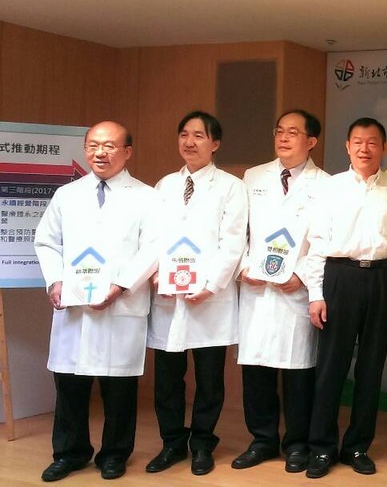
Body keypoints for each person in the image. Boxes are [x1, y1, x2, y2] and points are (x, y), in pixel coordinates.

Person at [34, 121, 161, 482]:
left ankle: (114, 454)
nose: (99, 153)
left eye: (108, 146)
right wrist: (55, 280)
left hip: (120, 306)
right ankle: (69, 453)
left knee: (118, 387)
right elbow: (46, 241)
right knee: (69, 385)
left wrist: (121, 286)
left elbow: (154, 247)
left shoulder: (146, 197)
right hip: (74, 307)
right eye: (92, 145)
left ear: (127, 152)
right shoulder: (67, 195)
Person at [302, 117, 387, 479]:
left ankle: (357, 446)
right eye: (357, 142)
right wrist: (316, 294)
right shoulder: (331, 188)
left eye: (372, 142)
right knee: (331, 367)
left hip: (382, 279)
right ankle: (322, 447)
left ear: (384, 148)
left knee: (371, 368)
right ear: (347, 147)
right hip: (340, 277)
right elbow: (316, 243)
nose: (364, 149)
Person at [145, 111, 247, 476]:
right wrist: (154, 273)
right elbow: (152, 237)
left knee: (209, 379)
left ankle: (202, 443)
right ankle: (172, 442)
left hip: (209, 299)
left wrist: (211, 285)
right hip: (168, 295)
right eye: (184, 134)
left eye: (199, 136)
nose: (189, 142)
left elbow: (233, 242)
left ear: (215, 143)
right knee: (167, 378)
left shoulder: (231, 187)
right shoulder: (164, 186)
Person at [231, 110, 329, 473]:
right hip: (257, 288)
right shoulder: (253, 176)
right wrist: (243, 267)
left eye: (293, 132)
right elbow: (237, 231)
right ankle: (262, 440)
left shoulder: (326, 184)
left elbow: (325, 240)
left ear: (312, 141)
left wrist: (302, 275)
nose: (283, 138)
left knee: (297, 370)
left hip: (296, 289)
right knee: (256, 368)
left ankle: (297, 443)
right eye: (279, 131)